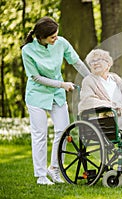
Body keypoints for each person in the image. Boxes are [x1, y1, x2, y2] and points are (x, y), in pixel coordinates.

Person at [21, 16, 90, 185]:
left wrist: (92, 79)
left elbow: (77, 62)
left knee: (63, 130)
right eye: (52, 37)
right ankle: (41, 176)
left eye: (56, 35)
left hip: (56, 95)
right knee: (40, 135)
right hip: (36, 95)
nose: (56, 39)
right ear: (41, 37)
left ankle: (54, 168)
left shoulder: (61, 43)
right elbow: (35, 77)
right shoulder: (28, 50)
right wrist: (62, 84)